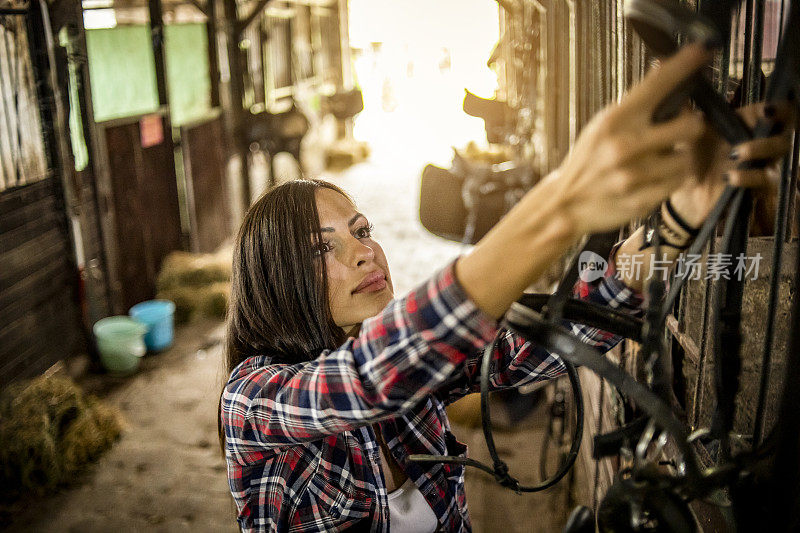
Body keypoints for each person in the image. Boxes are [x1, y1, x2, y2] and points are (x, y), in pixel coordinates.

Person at [219, 44, 791, 533]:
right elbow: (368, 382)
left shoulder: (412, 372)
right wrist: (562, 205)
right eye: (324, 248)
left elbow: (533, 348)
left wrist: (676, 223)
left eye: (362, 231)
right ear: (277, 275)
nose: (364, 251)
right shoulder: (252, 401)